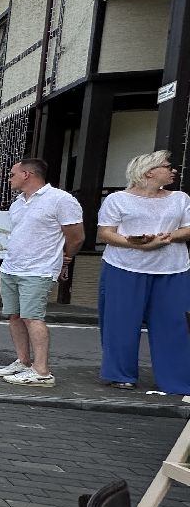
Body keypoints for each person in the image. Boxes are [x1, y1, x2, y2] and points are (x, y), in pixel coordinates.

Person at [95, 150, 190, 392]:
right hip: (123, 268)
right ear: (149, 172)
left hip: (173, 269)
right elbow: (105, 233)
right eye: (168, 166)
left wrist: (168, 237)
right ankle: (121, 375)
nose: (173, 170)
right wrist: (135, 242)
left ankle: (177, 381)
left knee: (175, 325)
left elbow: (188, 229)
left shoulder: (180, 198)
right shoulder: (117, 199)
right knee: (120, 323)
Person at [0, 158, 85, 387]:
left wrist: (66, 257)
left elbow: (76, 236)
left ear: (27, 174)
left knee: (32, 317)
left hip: (38, 269)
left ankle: (42, 371)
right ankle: (24, 362)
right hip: (11, 266)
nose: (9, 178)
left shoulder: (61, 200)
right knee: (14, 315)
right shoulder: (17, 202)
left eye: (12, 174)